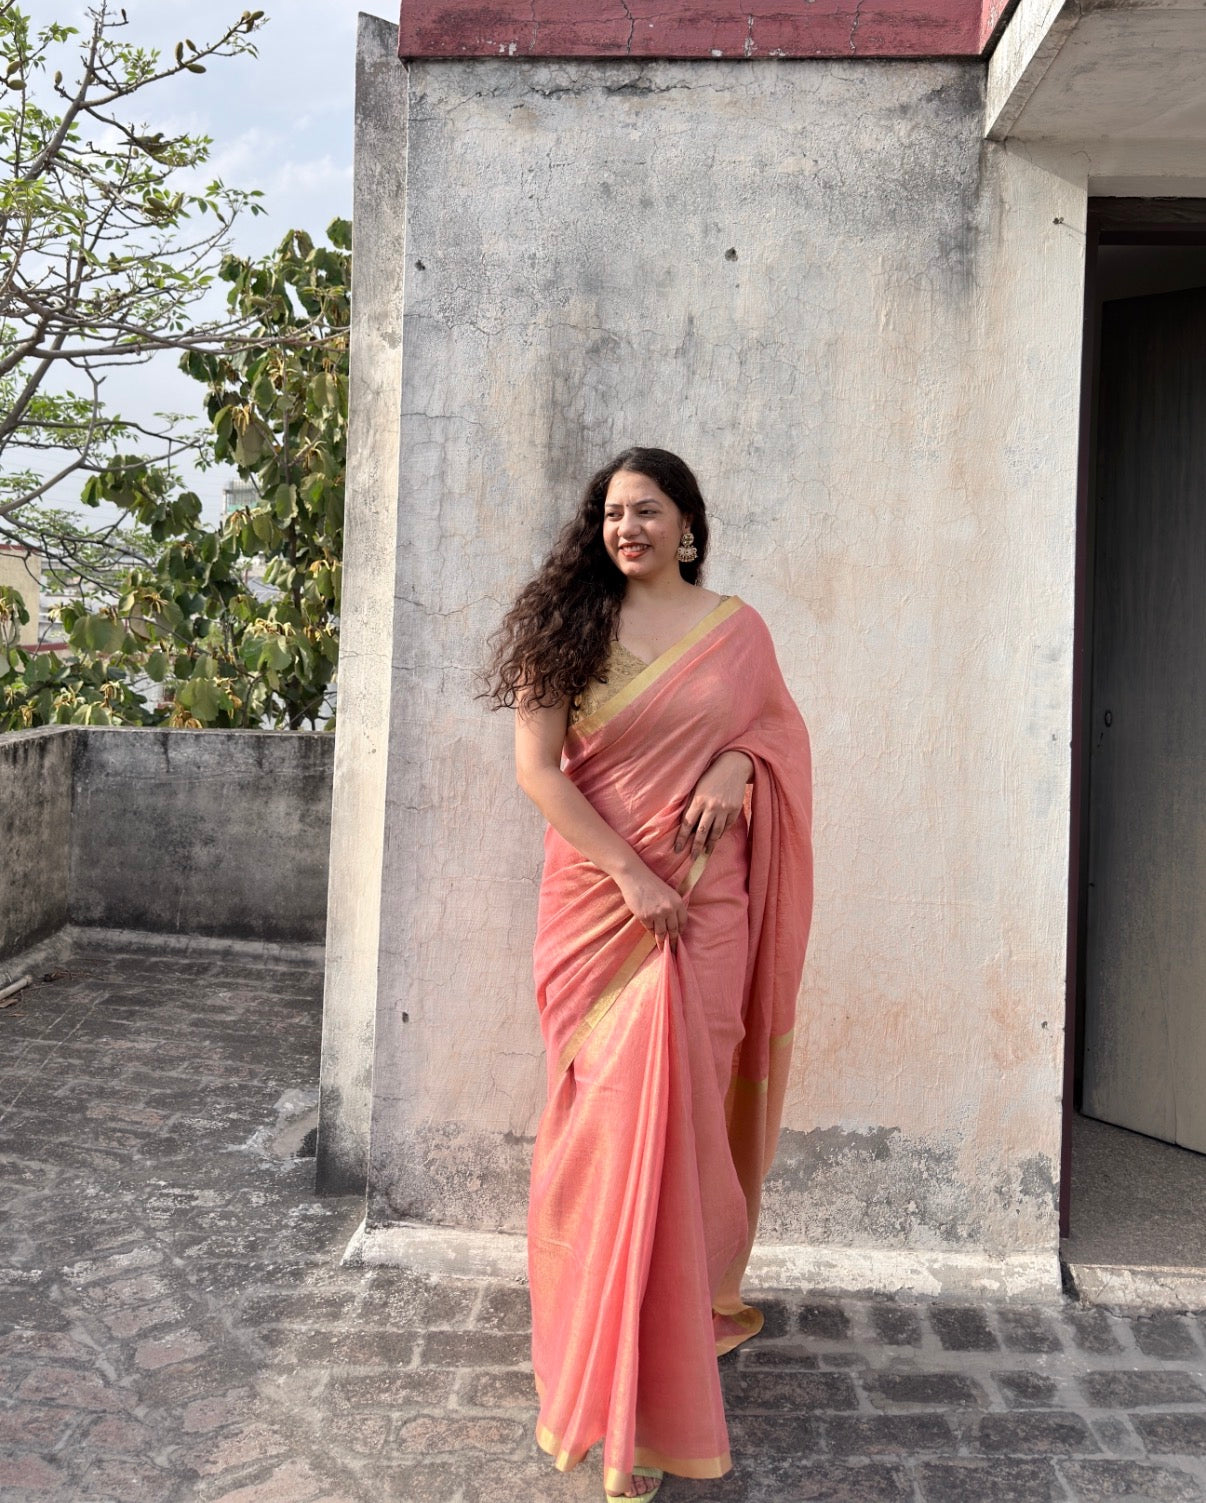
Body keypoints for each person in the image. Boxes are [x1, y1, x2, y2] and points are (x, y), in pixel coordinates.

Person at [487, 447, 813, 1500]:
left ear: (688, 524)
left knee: (685, 1124)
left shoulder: (738, 631)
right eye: (613, 512)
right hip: (599, 909)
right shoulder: (565, 630)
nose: (628, 528)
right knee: (609, 1130)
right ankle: (609, 1371)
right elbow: (540, 773)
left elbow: (777, 737)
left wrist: (737, 762)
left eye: (649, 511)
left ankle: (669, 1336)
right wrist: (630, 873)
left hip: (707, 913)